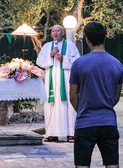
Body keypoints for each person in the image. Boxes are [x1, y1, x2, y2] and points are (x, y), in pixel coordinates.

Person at [69, 21, 123, 168]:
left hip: (85, 122)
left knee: (82, 165)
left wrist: (82, 111)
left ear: (86, 39)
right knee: (112, 165)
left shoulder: (79, 64)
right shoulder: (117, 64)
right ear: (104, 37)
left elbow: (73, 96)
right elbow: (115, 97)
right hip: (108, 122)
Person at [36, 25, 80, 142]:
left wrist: (64, 58)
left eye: (58, 31)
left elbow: (78, 62)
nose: (55, 33)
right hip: (51, 80)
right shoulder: (46, 46)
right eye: (53, 31)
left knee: (68, 105)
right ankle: (52, 133)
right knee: (51, 105)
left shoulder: (71, 46)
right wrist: (50, 55)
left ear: (63, 33)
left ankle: (71, 133)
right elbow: (39, 61)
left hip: (66, 80)